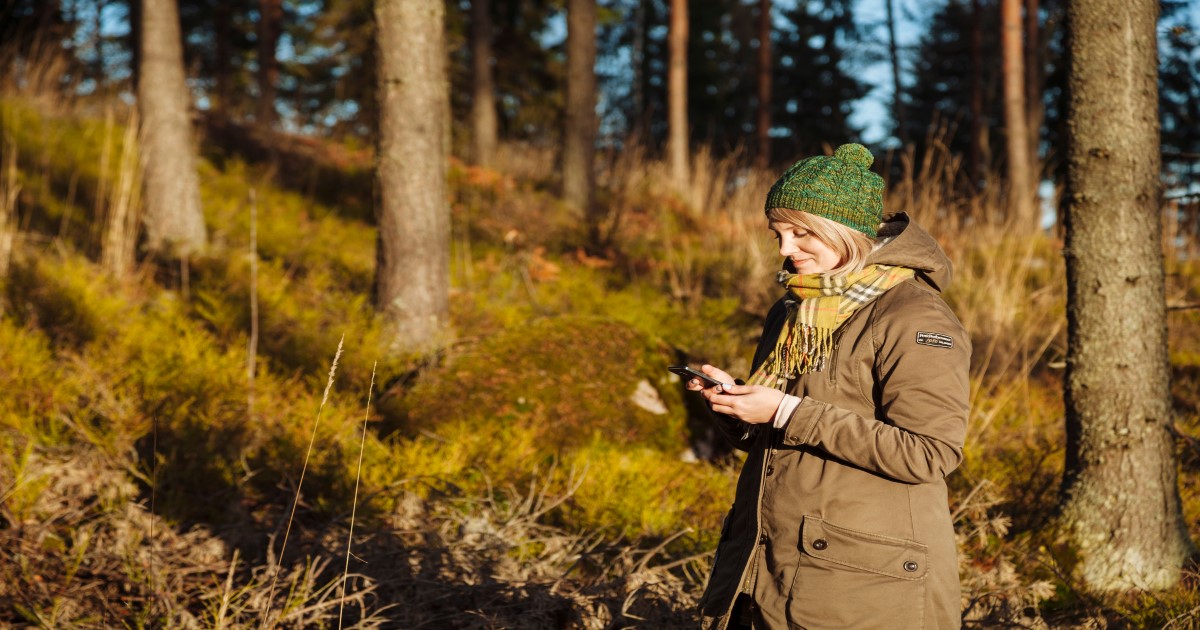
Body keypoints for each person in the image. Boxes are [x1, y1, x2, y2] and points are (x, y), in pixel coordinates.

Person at [689, 143, 970, 630]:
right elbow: (781, 442)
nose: (784, 249)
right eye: (777, 233)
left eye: (801, 233)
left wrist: (785, 412)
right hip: (772, 568)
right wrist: (735, 404)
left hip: (867, 589)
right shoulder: (794, 308)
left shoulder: (913, 316)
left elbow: (930, 452)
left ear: (846, 233)